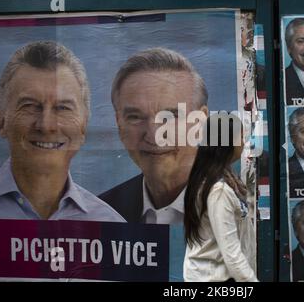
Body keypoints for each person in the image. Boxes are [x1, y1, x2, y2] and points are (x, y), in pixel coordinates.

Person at [0, 41, 125, 222]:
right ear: (1, 121)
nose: (46, 125)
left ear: (83, 127)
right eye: (29, 106)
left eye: (62, 108)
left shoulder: (111, 225)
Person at [99, 47, 208, 223]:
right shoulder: (102, 212)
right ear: (119, 124)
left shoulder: (239, 205)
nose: (154, 135)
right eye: (135, 117)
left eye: (170, 116)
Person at [183, 112, 258, 282]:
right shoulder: (219, 190)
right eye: (240, 137)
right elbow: (231, 254)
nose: (243, 142)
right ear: (228, 143)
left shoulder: (218, 179)